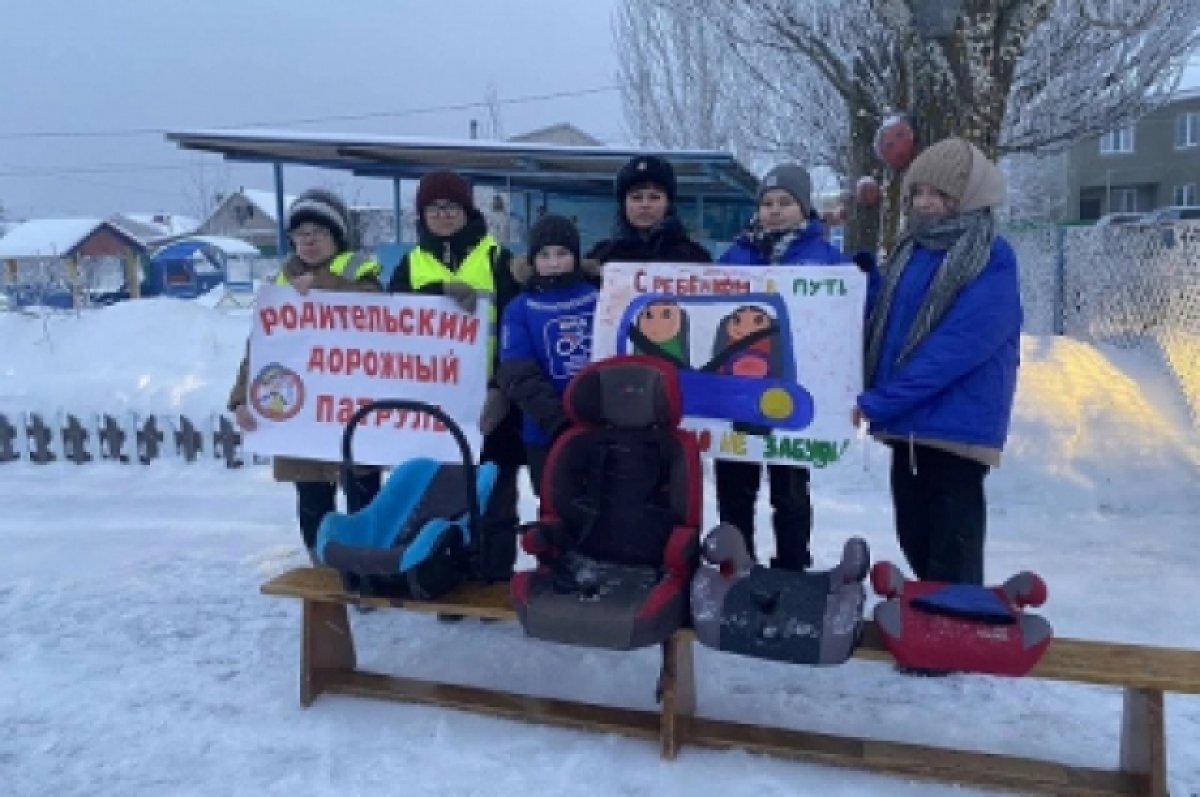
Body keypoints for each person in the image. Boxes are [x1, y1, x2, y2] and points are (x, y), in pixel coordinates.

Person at [854, 137, 1021, 586]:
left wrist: (881, 400)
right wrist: (861, 280)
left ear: (967, 198)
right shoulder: (911, 250)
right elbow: (885, 325)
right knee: (915, 536)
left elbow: (957, 349)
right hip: (910, 423)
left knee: (952, 546)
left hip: (956, 425)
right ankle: (932, 629)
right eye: (918, 193)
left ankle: (954, 635)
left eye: (939, 195)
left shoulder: (990, 257)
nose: (926, 204)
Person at [228, 188, 384, 563]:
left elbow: (377, 319)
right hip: (303, 411)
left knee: (363, 494)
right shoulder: (281, 286)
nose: (308, 241)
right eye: (300, 233)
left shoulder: (361, 273)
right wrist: (242, 398)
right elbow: (259, 349)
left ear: (336, 236)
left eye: (318, 231)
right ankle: (324, 573)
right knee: (313, 497)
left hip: (351, 407)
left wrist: (321, 291)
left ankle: (366, 569)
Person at [387, 169, 524, 586]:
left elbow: (517, 329)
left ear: (467, 211)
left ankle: (494, 578)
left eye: (451, 207)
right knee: (442, 494)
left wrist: (502, 387)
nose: (443, 215)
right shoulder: (410, 265)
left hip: (491, 400)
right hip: (434, 403)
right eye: (434, 208)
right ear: (422, 215)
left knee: (496, 494)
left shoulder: (497, 260)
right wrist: (435, 296)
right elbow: (390, 324)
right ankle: (445, 576)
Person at [715, 164, 846, 571]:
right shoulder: (736, 254)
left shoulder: (824, 257)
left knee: (789, 489)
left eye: (785, 202)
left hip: (796, 389)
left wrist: (864, 278)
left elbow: (849, 310)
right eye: (767, 203)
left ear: (803, 208)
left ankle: (792, 565)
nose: (774, 210)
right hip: (739, 390)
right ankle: (737, 563)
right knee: (735, 486)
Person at [496, 214, 598, 495]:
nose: (553, 263)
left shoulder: (599, 297)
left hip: (598, 428)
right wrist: (558, 421)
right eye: (544, 255)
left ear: (576, 256)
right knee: (555, 512)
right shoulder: (519, 307)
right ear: (532, 260)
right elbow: (517, 372)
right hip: (544, 432)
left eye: (562, 253)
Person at [586, 154, 712, 269]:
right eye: (636, 197)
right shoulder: (601, 257)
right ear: (623, 204)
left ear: (668, 203)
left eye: (654, 197)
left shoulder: (694, 257)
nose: (645, 205)